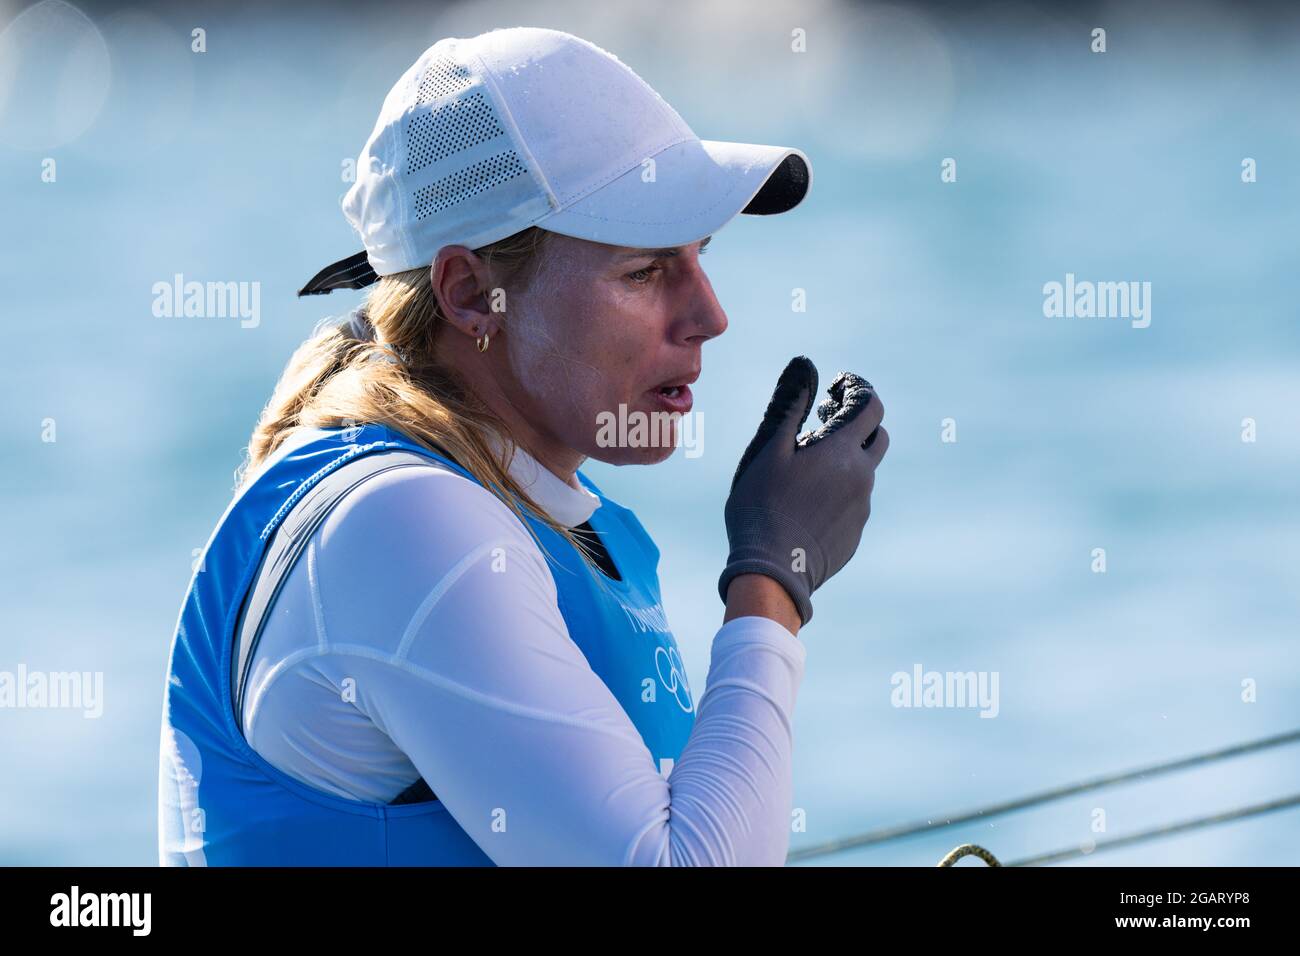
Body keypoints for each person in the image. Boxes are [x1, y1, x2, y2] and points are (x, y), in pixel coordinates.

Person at [158, 26, 888, 866]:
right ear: (471, 293)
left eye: (701, 254)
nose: (710, 316)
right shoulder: (406, 524)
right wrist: (772, 582)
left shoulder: (513, 508)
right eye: (645, 271)